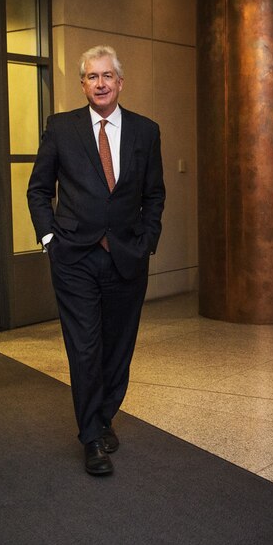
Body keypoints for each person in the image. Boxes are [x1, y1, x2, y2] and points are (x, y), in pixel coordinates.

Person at [27, 45, 165, 476]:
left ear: (120, 83)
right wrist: (50, 237)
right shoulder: (61, 128)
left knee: (118, 349)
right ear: (82, 83)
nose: (100, 83)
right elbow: (38, 189)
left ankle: (105, 415)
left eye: (107, 76)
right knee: (84, 348)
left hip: (127, 257)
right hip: (75, 257)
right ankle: (91, 436)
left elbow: (154, 193)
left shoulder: (146, 130)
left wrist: (147, 240)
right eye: (92, 77)